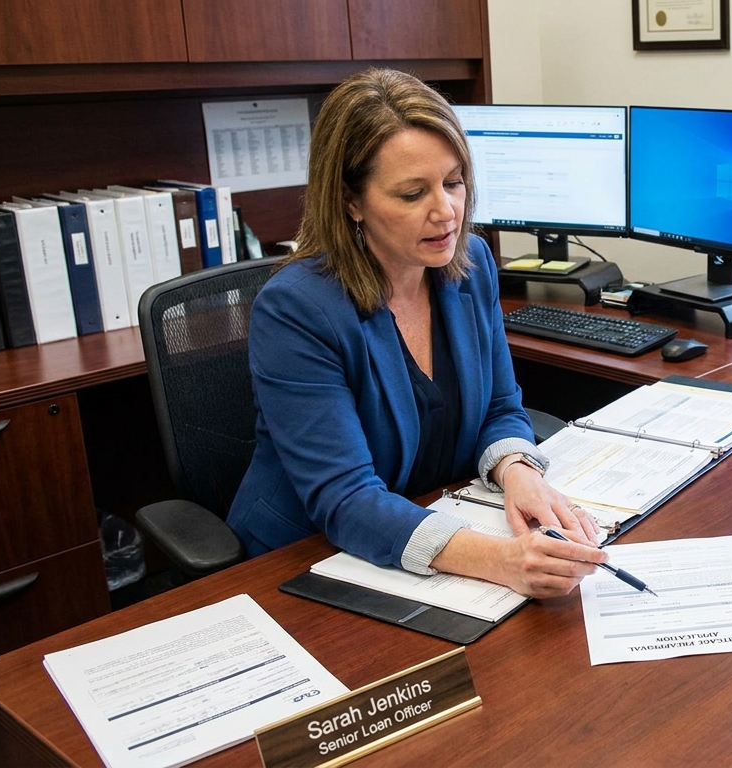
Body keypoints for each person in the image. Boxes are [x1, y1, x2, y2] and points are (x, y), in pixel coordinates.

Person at [227, 68, 608, 598]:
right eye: (412, 193)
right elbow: (345, 498)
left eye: (453, 182)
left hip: (435, 528)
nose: (446, 211)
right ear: (351, 201)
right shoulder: (296, 309)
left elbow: (500, 406)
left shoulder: (471, 262)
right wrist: (501, 559)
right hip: (311, 560)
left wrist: (519, 470)